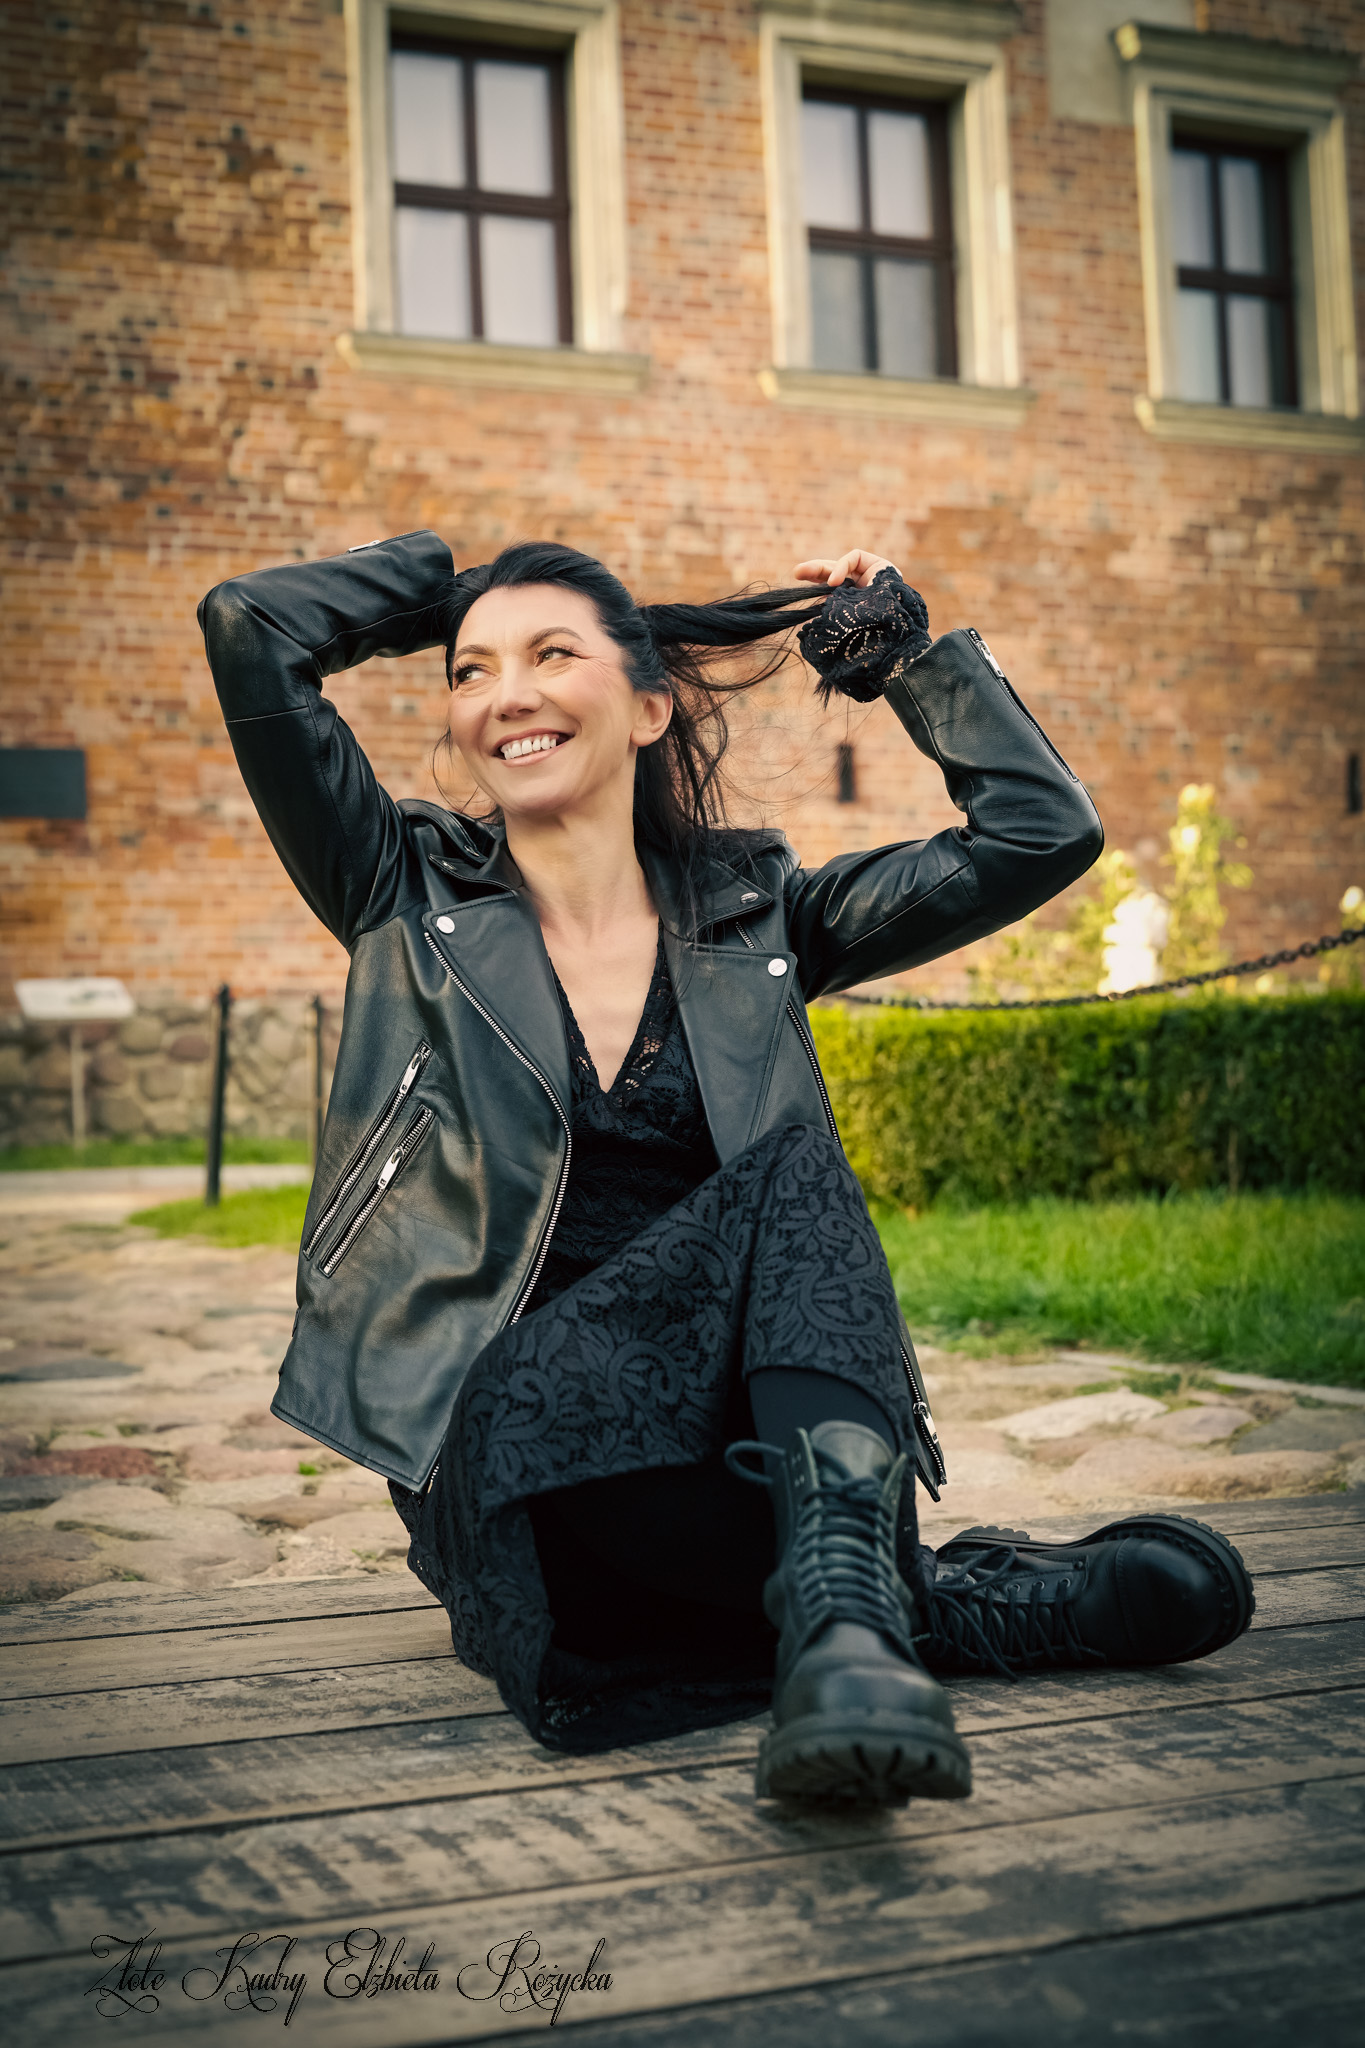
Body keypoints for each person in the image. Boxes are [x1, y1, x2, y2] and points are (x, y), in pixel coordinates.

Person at [199, 533, 1254, 1808]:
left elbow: (1041, 832)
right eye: (471, 672)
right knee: (790, 1171)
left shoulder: (758, 914)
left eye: (550, 655)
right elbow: (251, 623)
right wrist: (450, 581)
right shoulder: (397, 886)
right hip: (520, 1451)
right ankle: (936, 1608)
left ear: (650, 706)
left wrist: (902, 661)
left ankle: (851, 1630)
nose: (503, 694)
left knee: (789, 1197)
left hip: (731, 1464)